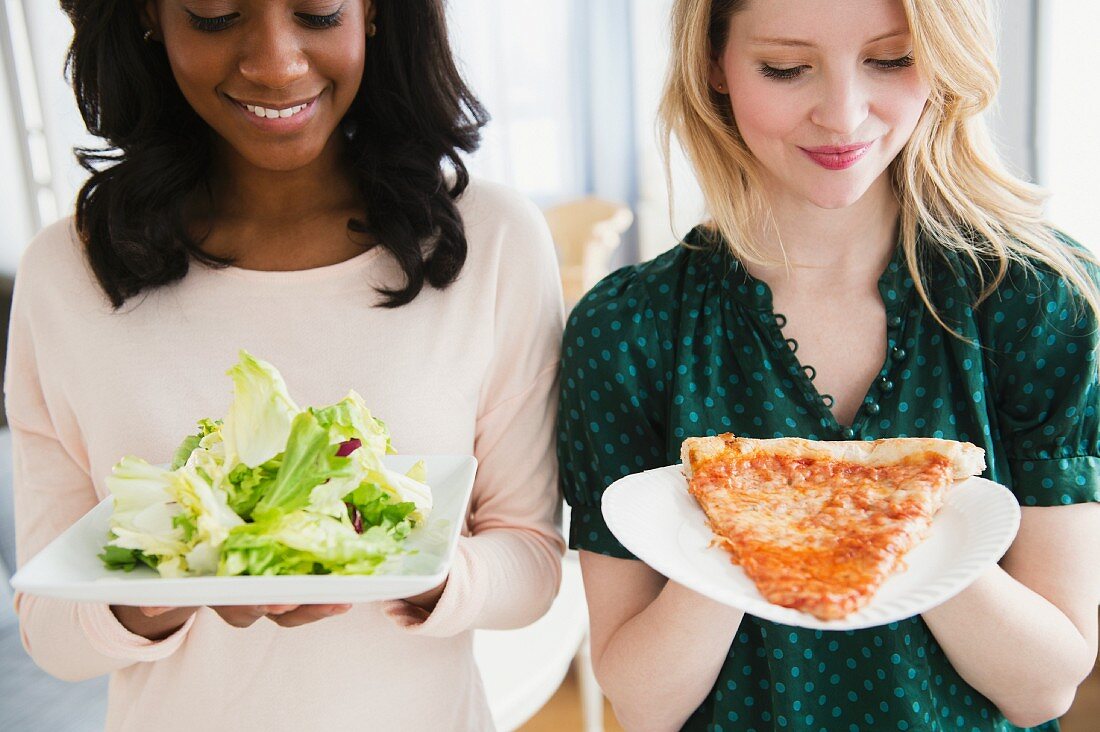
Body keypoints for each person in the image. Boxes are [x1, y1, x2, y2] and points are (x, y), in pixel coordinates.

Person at [7, 1, 564, 729]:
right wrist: (175, 580)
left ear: (372, 12)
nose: (276, 63)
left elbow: (532, 566)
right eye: (215, 14)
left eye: (319, 11)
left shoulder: (493, 242)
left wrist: (398, 565)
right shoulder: (64, 272)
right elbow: (49, 631)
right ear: (149, 13)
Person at [558, 0, 1100, 730]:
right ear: (715, 65)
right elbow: (646, 704)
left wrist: (887, 510)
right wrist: (755, 514)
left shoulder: (1035, 301)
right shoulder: (626, 330)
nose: (844, 116)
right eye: (786, 67)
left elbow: (1043, 688)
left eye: (890, 59)